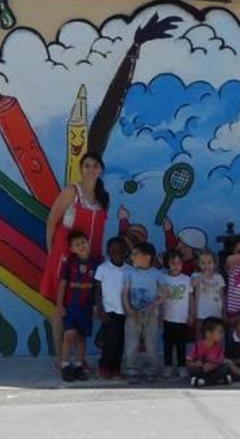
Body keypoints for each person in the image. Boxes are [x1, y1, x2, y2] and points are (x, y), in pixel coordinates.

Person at [42, 152, 109, 369]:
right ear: (81, 169)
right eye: (87, 165)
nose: (91, 169)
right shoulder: (72, 192)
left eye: (95, 165)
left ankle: (79, 359)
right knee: (61, 308)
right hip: (64, 257)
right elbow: (52, 222)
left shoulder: (102, 198)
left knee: (81, 307)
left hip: (89, 261)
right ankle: (60, 359)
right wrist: (53, 254)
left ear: (100, 169)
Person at [56, 231, 100, 382]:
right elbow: (62, 284)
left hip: (86, 308)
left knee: (82, 338)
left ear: (88, 243)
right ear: (72, 248)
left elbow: (97, 288)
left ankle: (79, 365)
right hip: (71, 307)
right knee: (69, 336)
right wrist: (60, 304)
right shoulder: (70, 263)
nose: (81, 246)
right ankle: (65, 365)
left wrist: (96, 306)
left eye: (83, 242)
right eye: (77, 244)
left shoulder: (96, 263)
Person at [123, 242, 165, 383]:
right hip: (133, 314)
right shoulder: (129, 273)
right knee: (131, 343)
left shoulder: (157, 274)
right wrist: (129, 310)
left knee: (151, 343)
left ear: (147, 257)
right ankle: (131, 370)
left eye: (135, 254)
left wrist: (153, 306)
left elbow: (164, 294)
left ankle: (152, 370)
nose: (132, 257)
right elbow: (125, 293)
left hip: (151, 315)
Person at [95, 236, 131, 379]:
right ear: (108, 252)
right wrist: (100, 310)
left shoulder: (129, 270)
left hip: (125, 312)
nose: (116, 253)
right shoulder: (102, 269)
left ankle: (116, 368)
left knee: (120, 343)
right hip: (109, 312)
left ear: (125, 252)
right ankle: (104, 366)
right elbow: (97, 291)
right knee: (109, 343)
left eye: (120, 250)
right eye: (113, 250)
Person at [160, 251, 194, 379]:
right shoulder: (163, 278)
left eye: (179, 263)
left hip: (182, 319)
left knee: (181, 345)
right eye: (173, 263)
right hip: (167, 318)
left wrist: (191, 314)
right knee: (167, 345)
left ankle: (182, 367)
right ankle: (167, 366)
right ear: (167, 264)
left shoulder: (186, 279)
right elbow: (159, 298)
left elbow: (191, 298)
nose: (176, 266)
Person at [186, 317, 232, 387]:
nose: (222, 335)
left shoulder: (220, 347)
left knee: (226, 368)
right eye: (219, 332)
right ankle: (216, 380)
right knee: (193, 370)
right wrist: (196, 364)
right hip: (201, 369)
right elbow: (188, 362)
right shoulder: (196, 346)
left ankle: (204, 381)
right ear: (208, 333)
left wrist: (212, 366)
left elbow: (220, 361)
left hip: (213, 370)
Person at [192, 250, 225, 332]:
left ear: (214, 263)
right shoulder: (196, 275)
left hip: (215, 313)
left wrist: (223, 311)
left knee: (215, 335)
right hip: (201, 314)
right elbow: (193, 284)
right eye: (203, 263)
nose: (206, 265)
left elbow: (222, 296)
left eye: (209, 262)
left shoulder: (219, 277)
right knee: (200, 335)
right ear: (198, 264)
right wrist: (204, 275)